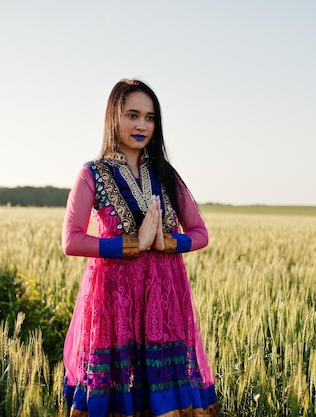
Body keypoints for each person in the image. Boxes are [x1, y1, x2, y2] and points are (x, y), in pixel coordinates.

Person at [61, 79, 219, 417]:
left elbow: (201, 233)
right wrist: (134, 244)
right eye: (133, 115)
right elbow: (71, 240)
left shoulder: (166, 174)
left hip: (163, 300)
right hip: (113, 299)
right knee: (118, 394)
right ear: (114, 116)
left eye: (150, 118)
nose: (142, 125)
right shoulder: (92, 174)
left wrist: (166, 242)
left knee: (163, 398)